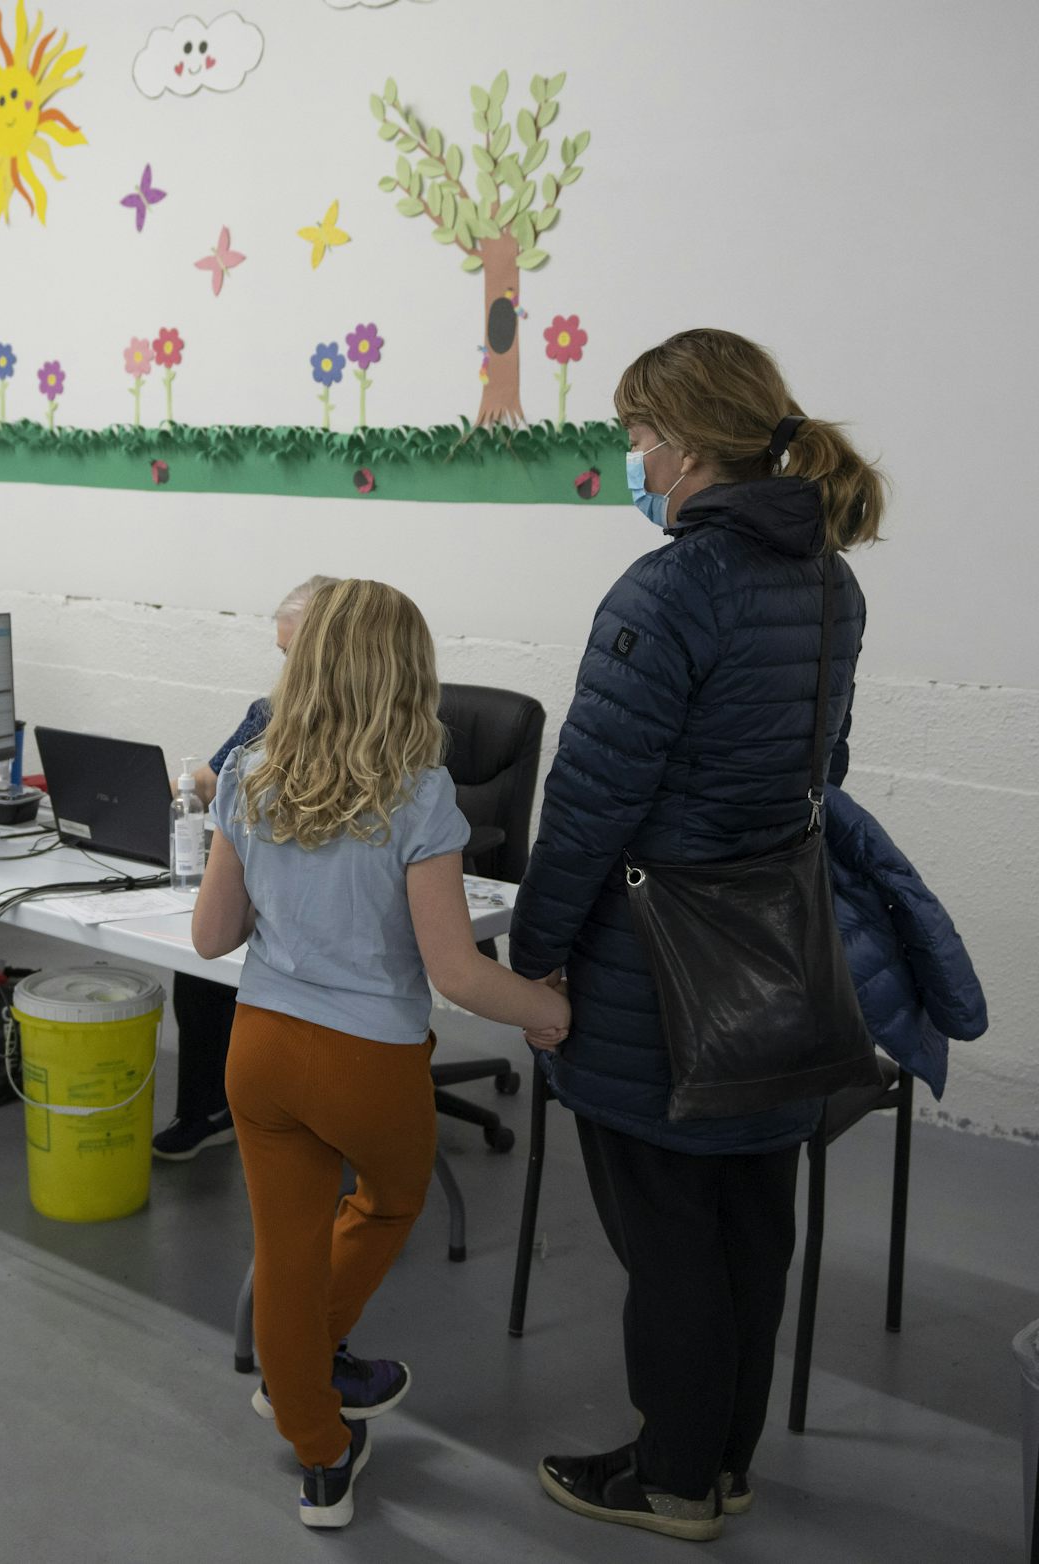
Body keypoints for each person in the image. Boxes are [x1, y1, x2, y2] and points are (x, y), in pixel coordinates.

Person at [508, 328, 884, 1542]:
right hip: (776, 950)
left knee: (668, 1240)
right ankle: (722, 1462)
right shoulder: (833, 581)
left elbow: (591, 800)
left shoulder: (668, 590)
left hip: (654, 966)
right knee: (748, 1231)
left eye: (633, 433)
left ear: (685, 444)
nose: (629, 455)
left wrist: (536, 947)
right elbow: (821, 765)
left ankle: (670, 1482)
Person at [193, 579, 570, 1530]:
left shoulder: (247, 773)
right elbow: (458, 972)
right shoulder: (418, 793)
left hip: (262, 1052)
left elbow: (210, 937)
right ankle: (305, 1375)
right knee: (388, 1199)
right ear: (408, 676)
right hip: (366, 1061)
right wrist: (546, 1012)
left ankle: (320, 1451)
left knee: (282, 1253)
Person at [155, 574, 338, 1161]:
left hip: (334, 910)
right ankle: (210, 1107)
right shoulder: (270, 714)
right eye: (282, 655)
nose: (287, 673)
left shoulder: (383, 730)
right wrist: (164, 791)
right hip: (273, 889)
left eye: (297, 656)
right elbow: (208, 781)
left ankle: (318, 1114)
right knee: (200, 956)